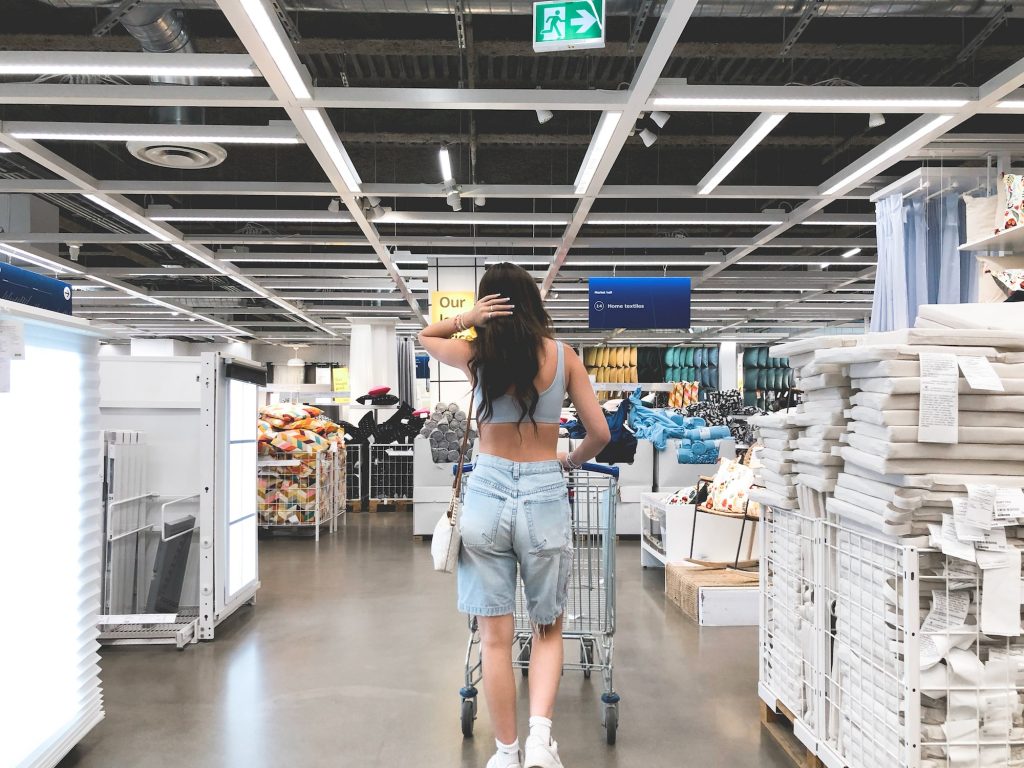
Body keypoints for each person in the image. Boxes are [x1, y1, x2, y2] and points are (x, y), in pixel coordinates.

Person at [419, 262, 610, 768]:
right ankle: (542, 741)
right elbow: (601, 434)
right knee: (548, 628)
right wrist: (566, 460)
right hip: (545, 491)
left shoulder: (476, 354)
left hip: (486, 492)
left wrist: (468, 316)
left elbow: (424, 334)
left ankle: (506, 752)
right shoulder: (564, 357)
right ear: (534, 304)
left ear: (491, 305)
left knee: (494, 638)